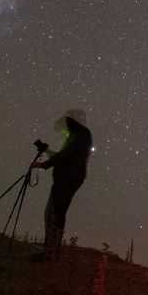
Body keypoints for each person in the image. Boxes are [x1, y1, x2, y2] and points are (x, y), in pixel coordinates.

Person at [29, 108, 92, 261]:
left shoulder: (82, 135)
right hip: (64, 179)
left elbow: (66, 155)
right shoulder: (77, 136)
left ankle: (50, 254)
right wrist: (48, 152)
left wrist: (43, 165)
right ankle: (50, 252)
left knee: (56, 213)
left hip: (68, 179)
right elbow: (66, 155)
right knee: (52, 213)